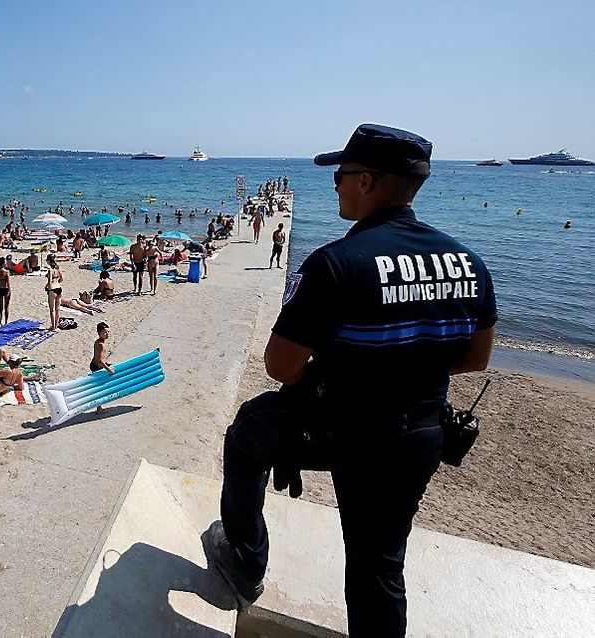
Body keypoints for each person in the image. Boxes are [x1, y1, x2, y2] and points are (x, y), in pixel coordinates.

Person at [202, 124, 498, 637]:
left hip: (345, 428)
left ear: (367, 181)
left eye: (340, 175)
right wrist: (404, 363)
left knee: (248, 433)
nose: (334, 185)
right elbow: (475, 358)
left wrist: (354, 366)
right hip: (422, 432)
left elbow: (281, 365)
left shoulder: (337, 264)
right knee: (379, 566)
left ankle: (246, 562)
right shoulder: (468, 262)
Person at [90, 322, 115, 411]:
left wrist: (106, 363)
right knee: (99, 387)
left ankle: (99, 407)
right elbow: (100, 360)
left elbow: (99, 357)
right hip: (97, 366)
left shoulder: (99, 341)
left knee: (100, 386)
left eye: (108, 332)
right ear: (99, 333)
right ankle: (99, 408)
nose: (107, 334)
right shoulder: (101, 344)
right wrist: (108, 369)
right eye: (105, 332)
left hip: (95, 364)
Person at [44, 253, 63, 331]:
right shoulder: (58, 268)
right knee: (57, 309)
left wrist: (45, 287)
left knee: (52, 309)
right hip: (59, 288)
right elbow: (61, 279)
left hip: (52, 289)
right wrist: (57, 282)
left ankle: (53, 326)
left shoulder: (50, 270)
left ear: (49, 260)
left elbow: (49, 282)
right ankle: (56, 325)